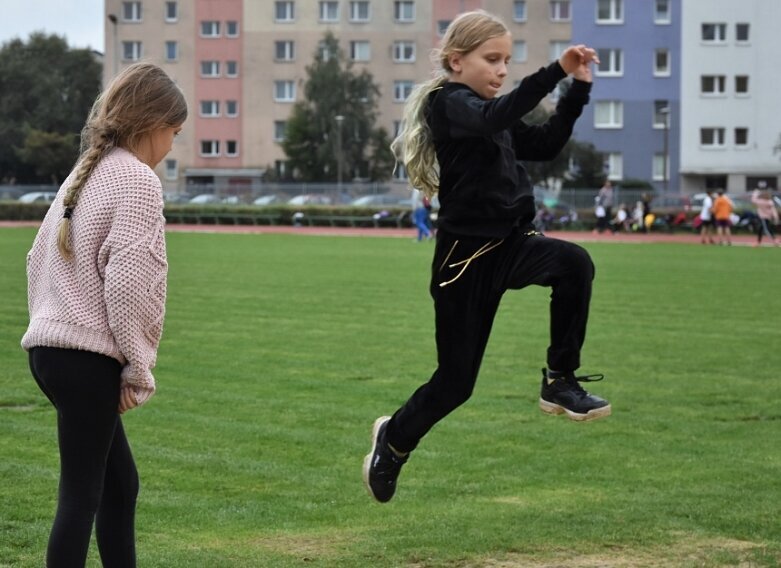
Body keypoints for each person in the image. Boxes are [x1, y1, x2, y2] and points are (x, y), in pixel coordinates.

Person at [364, 10, 610, 504]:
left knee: (574, 263)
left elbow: (544, 143)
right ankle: (393, 440)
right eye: (491, 60)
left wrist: (577, 89)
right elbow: (491, 117)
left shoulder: (492, 111)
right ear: (457, 61)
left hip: (512, 244)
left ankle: (560, 379)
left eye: (507, 61)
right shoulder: (451, 103)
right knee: (455, 383)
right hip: (465, 260)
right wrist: (555, 71)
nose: (502, 70)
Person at [21, 62, 187, 567]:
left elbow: (36, 261)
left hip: (50, 351)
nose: (172, 146)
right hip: (86, 358)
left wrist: (50, 325)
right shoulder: (136, 180)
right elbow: (133, 287)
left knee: (120, 486)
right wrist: (138, 368)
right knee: (81, 497)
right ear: (151, 124)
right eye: (174, 133)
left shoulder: (85, 173)